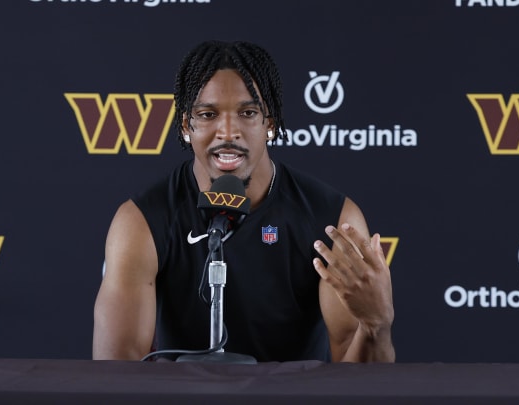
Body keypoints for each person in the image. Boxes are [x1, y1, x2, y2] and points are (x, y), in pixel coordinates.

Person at [92, 40, 395, 363]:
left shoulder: (330, 217)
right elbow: (116, 370)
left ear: (271, 123)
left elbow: (360, 383)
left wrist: (375, 325)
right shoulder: (141, 222)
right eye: (207, 114)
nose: (227, 132)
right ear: (185, 126)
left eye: (248, 113)